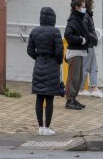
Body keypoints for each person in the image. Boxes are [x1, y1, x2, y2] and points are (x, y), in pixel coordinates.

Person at [27, 7, 63, 136]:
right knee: (49, 98)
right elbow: (59, 51)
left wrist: (38, 58)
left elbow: (30, 50)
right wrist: (57, 61)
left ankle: (40, 127)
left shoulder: (34, 31)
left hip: (38, 65)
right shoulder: (55, 32)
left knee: (39, 97)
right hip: (52, 65)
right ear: (53, 18)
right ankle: (47, 128)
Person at [64, 0, 90, 110]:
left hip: (80, 52)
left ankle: (73, 98)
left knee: (78, 78)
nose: (85, 9)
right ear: (77, 7)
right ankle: (69, 100)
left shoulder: (79, 19)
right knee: (73, 77)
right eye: (83, 7)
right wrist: (81, 40)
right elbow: (67, 35)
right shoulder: (73, 20)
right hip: (74, 52)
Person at [78, 0, 103, 98]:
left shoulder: (88, 14)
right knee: (85, 67)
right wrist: (93, 37)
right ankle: (81, 88)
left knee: (94, 67)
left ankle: (94, 88)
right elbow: (85, 30)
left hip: (90, 44)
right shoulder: (85, 15)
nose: (93, 4)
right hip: (88, 45)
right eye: (92, 2)